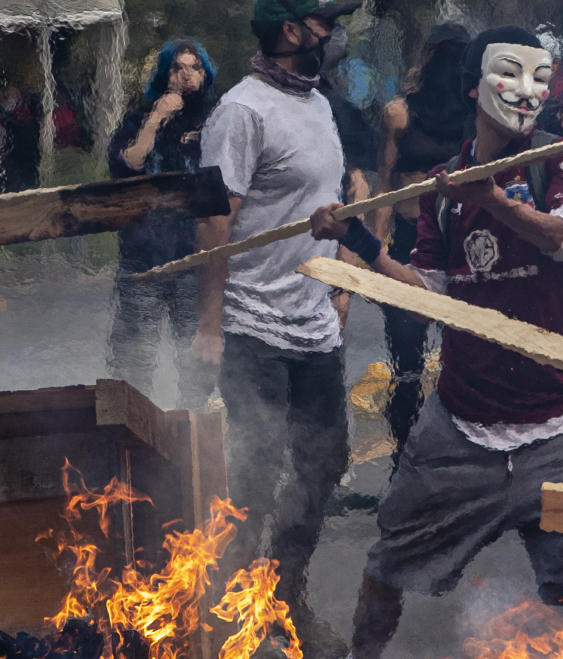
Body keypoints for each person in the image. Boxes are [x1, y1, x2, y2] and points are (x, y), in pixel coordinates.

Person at [311, 25, 563, 658]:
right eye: (510, 73)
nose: (527, 90)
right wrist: (362, 243)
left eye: (540, 76)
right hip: (464, 427)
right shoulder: (443, 187)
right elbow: (430, 288)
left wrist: (498, 202)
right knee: (388, 560)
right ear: (475, 86)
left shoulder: (561, 158)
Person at [192, 1, 360, 655]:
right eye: (323, 22)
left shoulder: (318, 103)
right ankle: (236, 618)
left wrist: (341, 276)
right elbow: (213, 221)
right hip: (252, 323)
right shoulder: (242, 110)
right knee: (254, 477)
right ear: (291, 31)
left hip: (313, 325)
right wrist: (210, 325)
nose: (332, 34)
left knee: (324, 465)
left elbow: (332, 197)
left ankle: (286, 599)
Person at [368, 21, 471, 464]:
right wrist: (373, 249)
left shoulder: (481, 112)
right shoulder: (400, 113)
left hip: (465, 242)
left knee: (465, 356)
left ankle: (463, 457)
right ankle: (406, 459)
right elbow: (386, 187)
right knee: (408, 363)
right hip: (412, 244)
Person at [105, 38, 218, 408]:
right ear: (164, 73)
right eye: (178, 67)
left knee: (195, 358)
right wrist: (156, 119)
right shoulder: (139, 117)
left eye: (195, 67)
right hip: (143, 257)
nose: (187, 74)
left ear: (205, 74)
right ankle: (133, 435)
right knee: (134, 360)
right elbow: (127, 165)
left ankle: (193, 432)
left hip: (193, 258)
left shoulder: (216, 119)